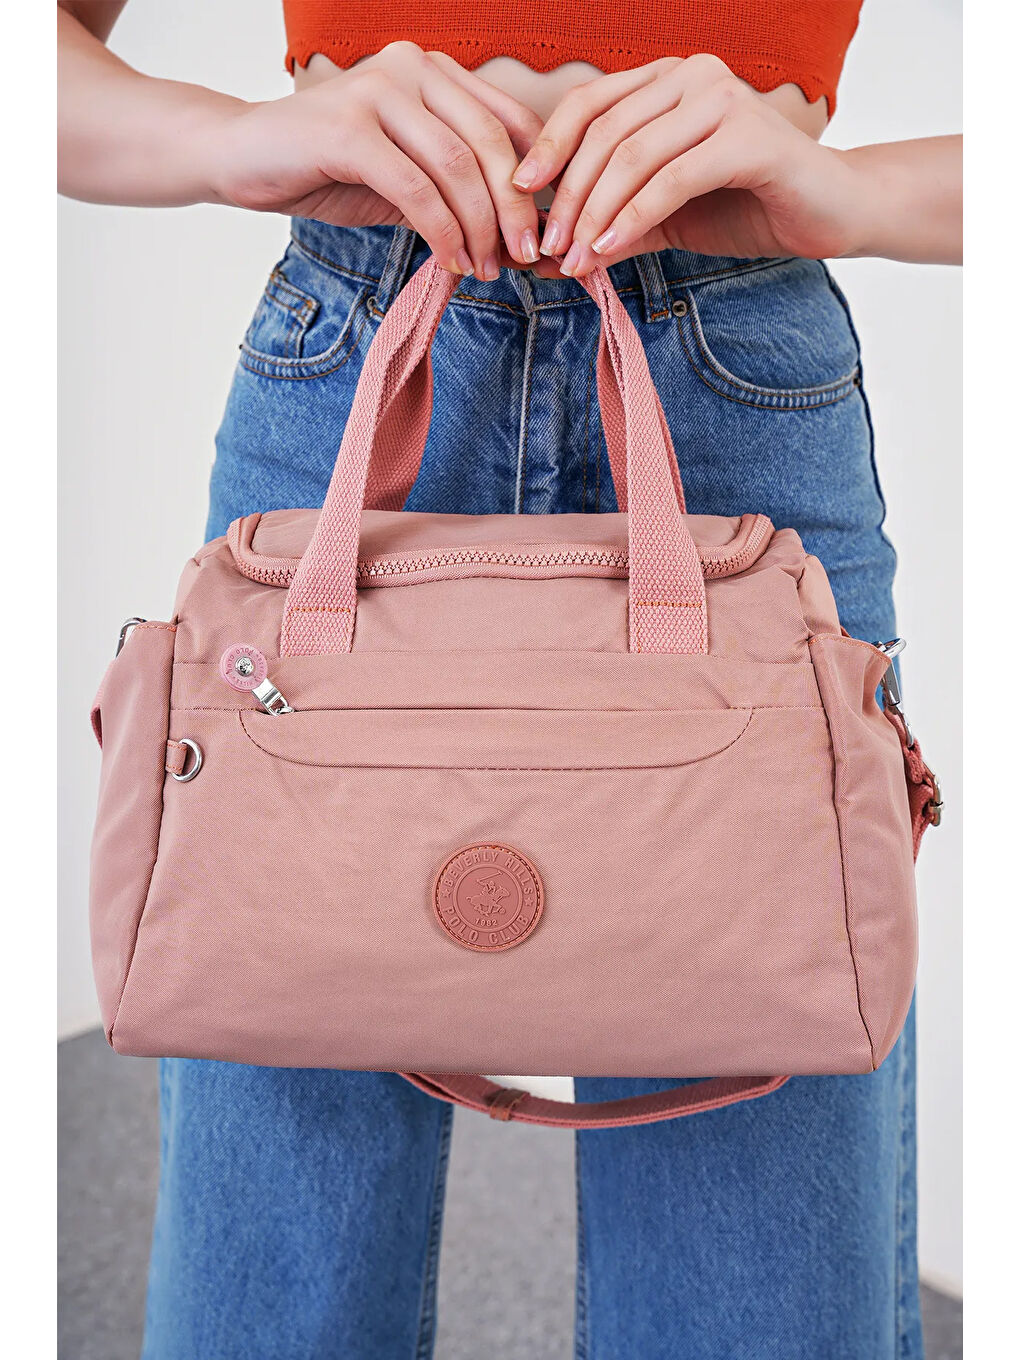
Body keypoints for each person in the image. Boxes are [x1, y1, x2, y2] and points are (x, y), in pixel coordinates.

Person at [58, 3, 961, 1356]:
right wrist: (227, 142)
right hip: (354, 333)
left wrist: (862, 191)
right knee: (276, 1249)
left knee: (759, 1259)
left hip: (735, 360)